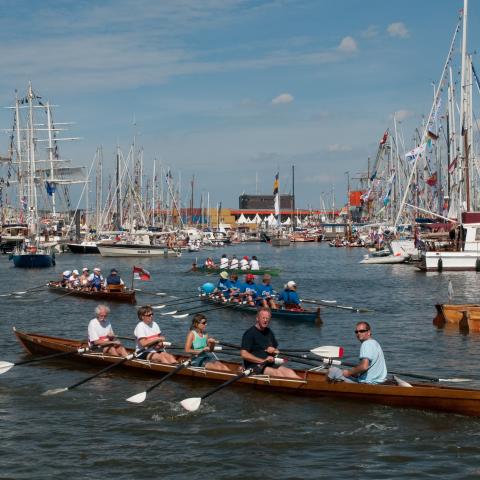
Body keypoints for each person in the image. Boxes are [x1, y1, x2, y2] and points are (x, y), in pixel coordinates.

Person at [240, 308, 302, 379]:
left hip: (269, 364)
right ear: (257, 318)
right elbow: (244, 354)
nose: (265, 320)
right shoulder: (250, 333)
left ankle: (304, 387)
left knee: (290, 372)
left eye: (267, 318)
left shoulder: (269, 332)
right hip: (255, 366)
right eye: (263, 318)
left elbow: (276, 351)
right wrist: (263, 360)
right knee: (277, 373)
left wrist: (274, 351)